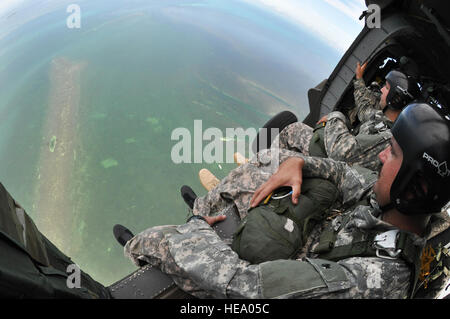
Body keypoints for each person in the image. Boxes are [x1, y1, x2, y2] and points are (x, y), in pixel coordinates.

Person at [122, 102, 450, 298]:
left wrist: (195, 232)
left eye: (392, 152)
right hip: (309, 245)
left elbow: (244, 287)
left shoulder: (370, 283)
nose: (380, 156)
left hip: (266, 278)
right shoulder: (396, 214)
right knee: (275, 162)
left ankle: (138, 249)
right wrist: (301, 163)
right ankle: (210, 201)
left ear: (413, 183)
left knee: (160, 240)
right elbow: (346, 174)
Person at [274, 62, 420, 172]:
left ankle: (263, 174)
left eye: (387, 88)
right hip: (340, 164)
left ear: (396, 98)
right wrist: (359, 79)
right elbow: (364, 108)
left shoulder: (387, 136)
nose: (381, 90)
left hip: (337, 169)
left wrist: (334, 117)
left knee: (288, 136)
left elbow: (341, 154)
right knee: (296, 129)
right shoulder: (381, 120)